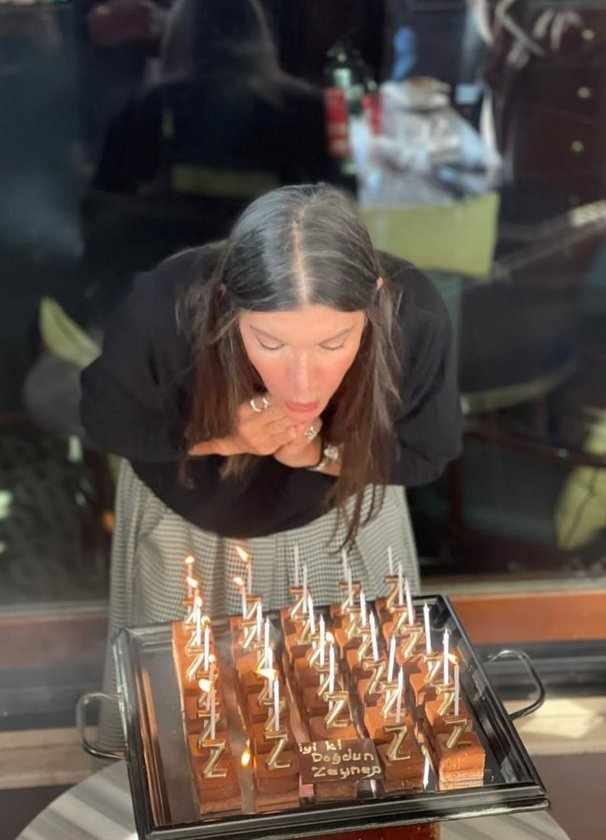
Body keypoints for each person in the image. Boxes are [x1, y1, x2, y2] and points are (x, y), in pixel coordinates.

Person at [80, 183, 461, 750]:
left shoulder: (416, 315)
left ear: (374, 299)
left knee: (350, 731)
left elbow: (427, 451)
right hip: (188, 531)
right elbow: (105, 420)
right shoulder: (164, 304)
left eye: (333, 343)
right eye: (271, 343)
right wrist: (222, 439)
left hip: (341, 522)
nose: (302, 382)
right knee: (190, 739)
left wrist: (322, 455)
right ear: (229, 301)